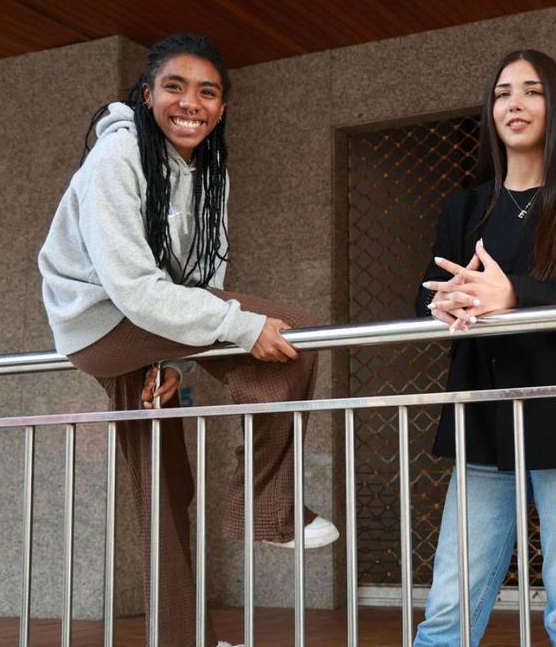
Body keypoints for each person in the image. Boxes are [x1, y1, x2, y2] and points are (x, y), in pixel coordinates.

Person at [38, 34, 337, 647]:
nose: (190, 103)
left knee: (165, 483)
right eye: (174, 87)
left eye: (208, 92)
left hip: (148, 327)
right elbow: (131, 286)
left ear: (222, 108)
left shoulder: (210, 173)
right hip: (101, 319)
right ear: (148, 95)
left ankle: (182, 637)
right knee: (291, 334)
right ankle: (266, 506)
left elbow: (204, 281)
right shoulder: (118, 155)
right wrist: (241, 328)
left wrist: (176, 361)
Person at [412, 49, 556, 646]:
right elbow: (426, 293)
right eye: (502, 92)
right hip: (482, 413)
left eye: (532, 91)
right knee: (449, 607)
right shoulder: (464, 206)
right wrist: (441, 304)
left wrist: (512, 294)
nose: (514, 103)